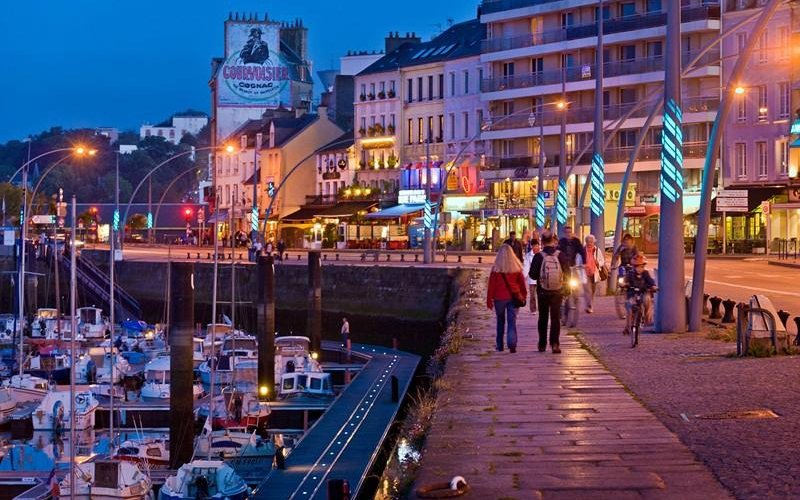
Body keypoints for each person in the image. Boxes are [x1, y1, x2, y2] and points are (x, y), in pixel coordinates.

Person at [529, 230, 569, 353]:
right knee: (555, 318)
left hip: (542, 292)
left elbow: (533, 275)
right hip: (557, 291)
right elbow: (568, 274)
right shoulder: (561, 255)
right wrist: (567, 289)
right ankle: (555, 344)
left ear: (542, 241)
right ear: (553, 240)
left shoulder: (538, 256)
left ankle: (542, 344)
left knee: (543, 317)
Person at [486, 244, 527, 353]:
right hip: (513, 297)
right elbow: (522, 284)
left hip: (499, 298)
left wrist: (489, 300)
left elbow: (491, 286)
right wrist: (523, 295)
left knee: (500, 321)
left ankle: (500, 345)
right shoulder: (516, 268)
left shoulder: (495, 269)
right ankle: (512, 344)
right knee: (512, 322)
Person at [622, 254, 657, 333]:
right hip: (632, 293)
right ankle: (627, 327)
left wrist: (653, 286)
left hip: (643, 292)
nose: (639, 269)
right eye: (636, 266)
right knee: (629, 307)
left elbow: (651, 281)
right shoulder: (630, 274)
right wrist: (624, 284)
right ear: (633, 266)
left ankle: (647, 319)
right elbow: (625, 281)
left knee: (647, 300)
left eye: (641, 266)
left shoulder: (645, 273)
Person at [583, 234, 605, 314]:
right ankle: (589, 306)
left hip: (594, 273)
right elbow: (578, 259)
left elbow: (602, 261)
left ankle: (590, 304)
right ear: (586, 242)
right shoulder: (583, 250)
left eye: (591, 242)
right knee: (588, 290)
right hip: (585, 273)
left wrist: (598, 262)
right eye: (588, 241)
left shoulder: (597, 250)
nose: (589, 243)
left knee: (593, 291)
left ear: (594, 242)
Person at [522, 232, 540, 313]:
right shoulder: (528, 256)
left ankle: (541, 308)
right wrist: (524, 276)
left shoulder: (542, 254)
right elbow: (526, 267)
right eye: (534, 246)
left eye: (537, 245)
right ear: (532, 246)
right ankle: (533, 309)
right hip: (532, 279)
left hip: (541, 279)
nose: (536, 247)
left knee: (540, 295)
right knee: (532, 295)